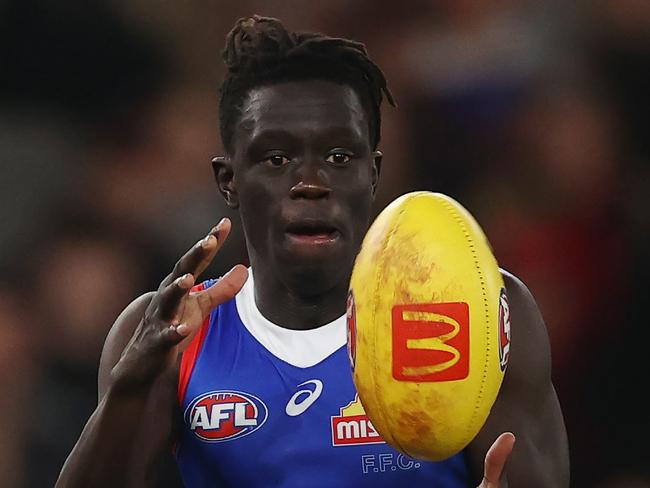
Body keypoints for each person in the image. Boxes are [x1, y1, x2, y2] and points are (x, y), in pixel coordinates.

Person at [56, 15, 569, 487]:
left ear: (374, 173)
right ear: (229, 180)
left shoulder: (476, 317)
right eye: (277, 158)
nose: (309, 183)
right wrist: (131, 385)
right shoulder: (167, 336)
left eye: (339, 156)